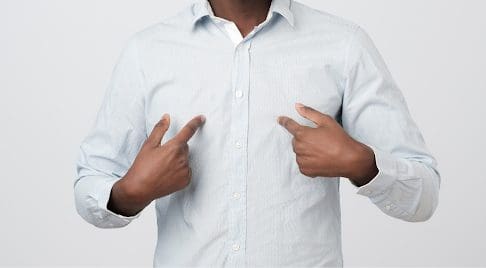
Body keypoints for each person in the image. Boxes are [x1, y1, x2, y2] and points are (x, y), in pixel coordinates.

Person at [74, 0, 441, 266]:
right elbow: (90, 181)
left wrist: (362, 164)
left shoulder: (344, 45)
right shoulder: (147, 51)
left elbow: (423, 195)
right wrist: (129, 193)